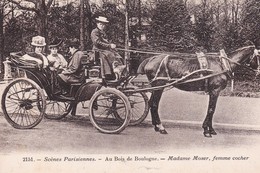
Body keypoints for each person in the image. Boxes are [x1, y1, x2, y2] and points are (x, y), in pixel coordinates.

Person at [91, 16, 126, 80]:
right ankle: (108, 74)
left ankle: (119, 70)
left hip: (104, 49)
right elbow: (97, 42)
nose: (102, 26)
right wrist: (109, 46)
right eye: (100, 24)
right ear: (97, 24)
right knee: (109, 54)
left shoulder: (103, 32)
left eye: (103, 25)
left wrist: (112, 46)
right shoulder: (94, 32)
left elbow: (106, 42)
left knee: (117, 54)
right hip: (98, 50)